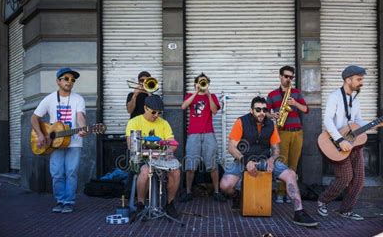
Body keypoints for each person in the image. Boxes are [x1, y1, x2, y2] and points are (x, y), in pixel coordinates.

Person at [219, 96, 318, 227]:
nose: (261, 113)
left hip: (265, 159)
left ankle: (299, 212)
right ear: (251, 110)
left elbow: (276, 149)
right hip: (244, 159)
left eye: (264, 110)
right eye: (258, 109)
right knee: (225, 186)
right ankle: (237, 196)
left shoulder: (271, 124)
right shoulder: (241, 122)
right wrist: (246, 161)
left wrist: (272, 159)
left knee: (291, 175)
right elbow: (231, 148)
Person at [317, 65, 383, 220]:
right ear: (348, 79)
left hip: (354, 144)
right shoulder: (334, 97)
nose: (361, 82)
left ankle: (346, 210)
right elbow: (328, 120)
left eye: (362, 79)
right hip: (337, 144)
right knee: (345, 178)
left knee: (359, 180)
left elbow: (357, 122)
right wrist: (340, 139)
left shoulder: (355, 101)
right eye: (359, 79)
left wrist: (377, 123)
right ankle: (322, 201)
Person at [31, 67, 89, 214]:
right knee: (57, 173)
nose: (69, 82)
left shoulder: (78, 99)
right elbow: (34, 117)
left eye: (72, 80)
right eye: (66, 79)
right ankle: (60, 200)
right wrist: (41, 135)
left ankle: (68, 202)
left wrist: (83, 128)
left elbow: (80, 116)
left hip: (74, 142)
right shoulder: (50, 98)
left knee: (71, 172)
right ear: (58, 81)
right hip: (54, 143)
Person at [125, 95, 180, 219]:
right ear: (145, 108)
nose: (156, 115)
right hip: (141, 158)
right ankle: (140, 205)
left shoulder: (164, 123)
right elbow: (131, 145)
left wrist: (169, 151)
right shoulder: (134, 122)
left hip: (160, 157)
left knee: (176, 171)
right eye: (153, 112)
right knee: (145, 171)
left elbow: (172, 143)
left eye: (159, 113)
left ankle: (170, 204)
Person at [180, 73, 226, 203]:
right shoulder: (190, 96)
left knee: (212, 164)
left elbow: (214, 111)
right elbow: (183, 107)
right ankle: (188, 192)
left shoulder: (212, 97)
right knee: (191, 164)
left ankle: (217, 192)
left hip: (208, 133)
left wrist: (208, 94)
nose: (202, 84)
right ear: (196, 83)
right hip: (193, 134)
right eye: (200, 82)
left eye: (204, 82)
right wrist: (196, 92)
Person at [267, 65, 309, 204]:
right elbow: (265, 112)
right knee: (281, 163)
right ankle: (280, 193)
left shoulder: (296, 93)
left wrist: (295, 103)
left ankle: (291, 194)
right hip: (282, 132)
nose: (288, 79)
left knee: (293, 165)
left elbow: (306, 110)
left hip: (297, 133)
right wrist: (272, 114)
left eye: (291, 77)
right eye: (286, 76)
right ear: (280, 76)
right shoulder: (272, 95)